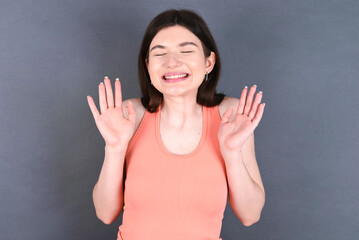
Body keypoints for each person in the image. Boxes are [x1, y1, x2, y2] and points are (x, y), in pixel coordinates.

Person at [87, 9, 266, 240]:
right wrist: (114, 148)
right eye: (159, 53)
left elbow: (250, 215)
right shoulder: (130, 116)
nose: (172, 62)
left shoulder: (231, 116)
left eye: (186, 50)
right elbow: (105, 213)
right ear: (148, 65)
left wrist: (232, 154)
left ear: (209, 62)